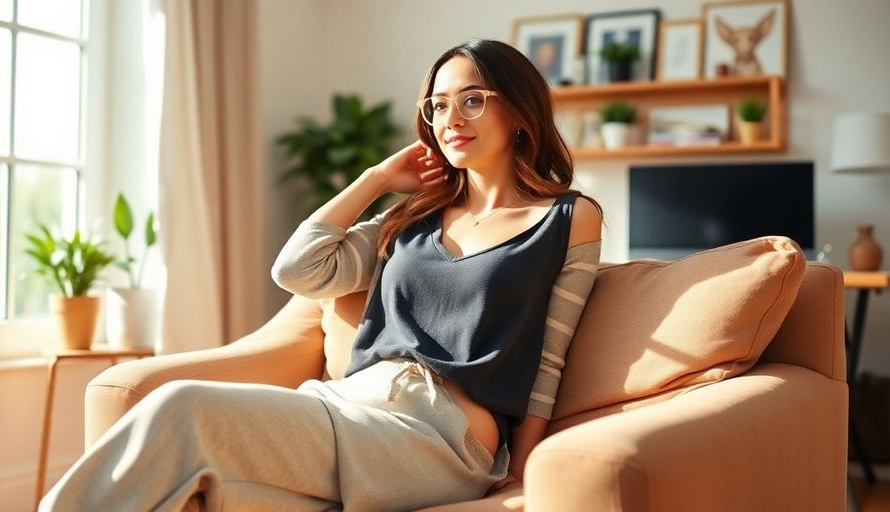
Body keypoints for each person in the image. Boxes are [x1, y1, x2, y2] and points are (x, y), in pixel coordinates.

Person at [39, 38, 602, 512]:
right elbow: (297, 269)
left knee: (180, 405)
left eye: (473, 101)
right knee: (201, 486)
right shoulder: (413, 217)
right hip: (349, 400)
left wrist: (525, 464)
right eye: (438, 106)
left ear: (520, 111)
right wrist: (375, 178)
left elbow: (549, 356)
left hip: (443, 435)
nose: (451, 120)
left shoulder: (568, 218)